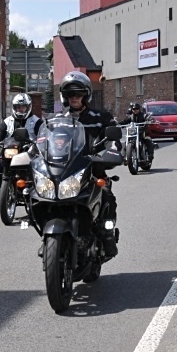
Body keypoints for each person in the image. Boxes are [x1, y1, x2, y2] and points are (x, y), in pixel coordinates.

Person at [57, 71, 119, 257]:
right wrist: (32, 154)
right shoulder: (57, 120)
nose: (74, 97)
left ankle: (107, 235)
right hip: (64, 173)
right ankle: (50, 237)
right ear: (64, 96)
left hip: (93, 170)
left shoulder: (101, 117)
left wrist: (112, 151)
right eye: (70, 93)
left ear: (86, 95)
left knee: (106, 194)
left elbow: (114, 141)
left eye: (78, 93)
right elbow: (43, 141)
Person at [0, 93, 44, 182]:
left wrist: (41, 141)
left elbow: (43, 133)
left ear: (28, 107)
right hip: (11, 151)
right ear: (14, 108)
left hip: (29, 151)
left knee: (38, 167)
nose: (20, 109)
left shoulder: (36, 121)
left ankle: (36, 185)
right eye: (18, 107)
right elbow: (0, 131)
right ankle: (1, 187)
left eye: (23, 107)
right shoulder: (8, 121)